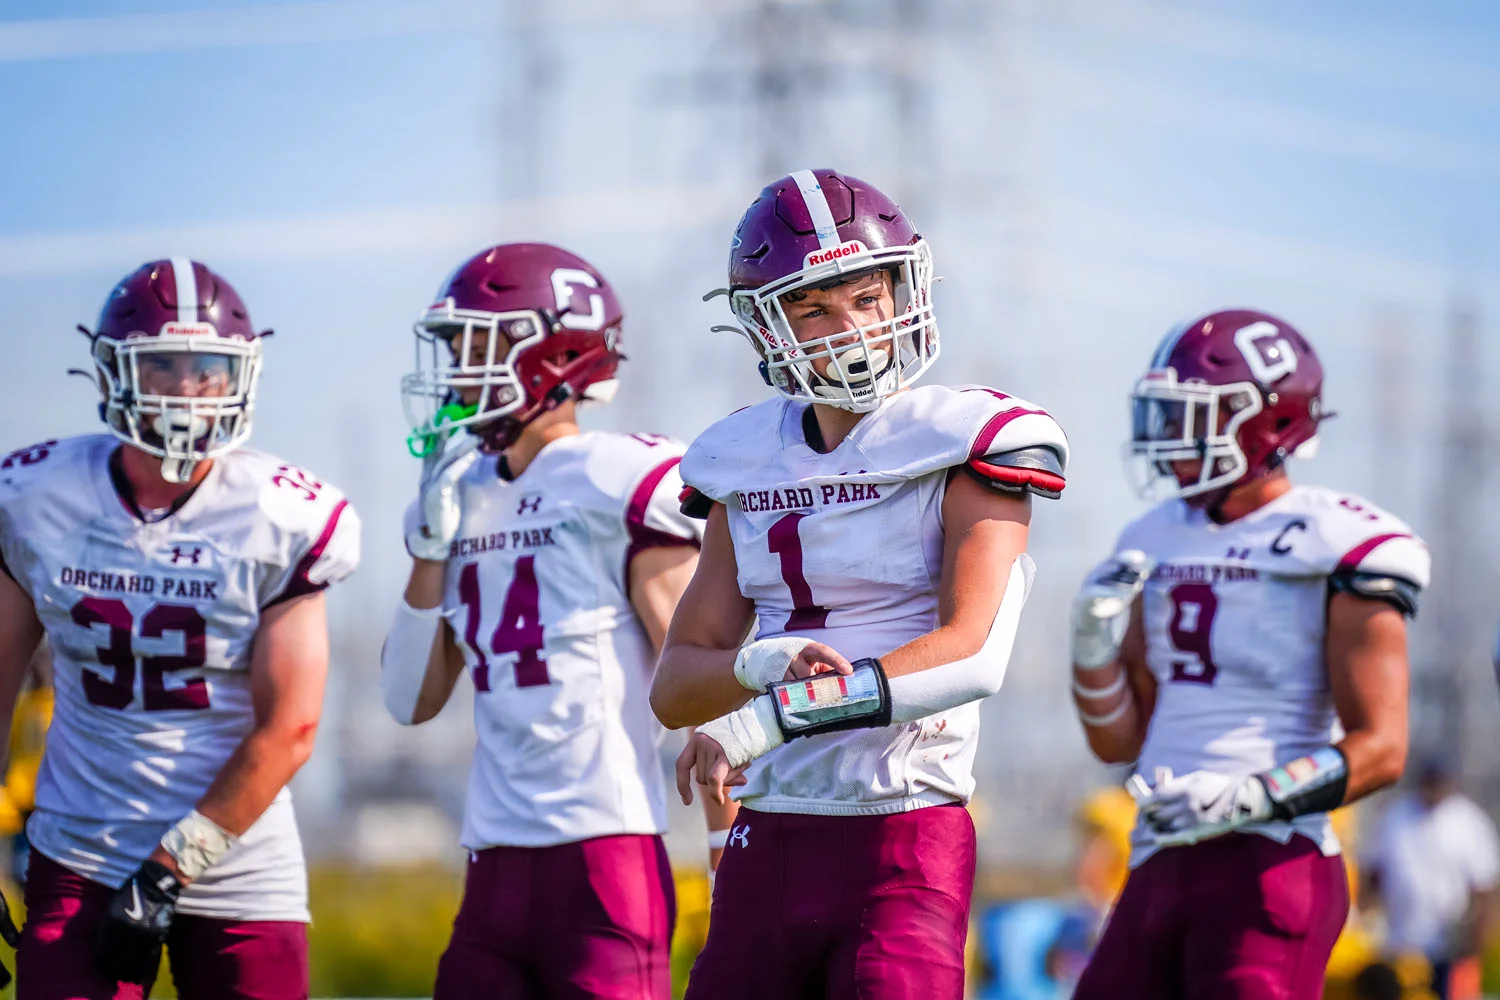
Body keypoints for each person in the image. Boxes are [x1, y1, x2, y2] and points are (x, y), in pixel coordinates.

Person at [650, 168, 1069, 999]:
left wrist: (764, 722)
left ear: (904, 292)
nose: (851, 331)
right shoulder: (742, 461)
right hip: (767, 836)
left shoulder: (965, 441)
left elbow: (970, 656)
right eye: (813, 308)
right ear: (768, 328)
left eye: (868, 299)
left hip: (903, 833)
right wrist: (756, 669)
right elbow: (674, 686)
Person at [0, 258, 361, 999]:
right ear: (111, 370)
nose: (187, 388)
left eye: (207, 367)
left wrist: (171, 869)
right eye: (162, 364)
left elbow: (291, 726)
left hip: (240, 863)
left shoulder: (280, 513)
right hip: (81, 850)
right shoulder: (36, 496)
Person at [382, 242, 720, 1000]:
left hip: (604, 856)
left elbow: (705, 682)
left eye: (478, 343)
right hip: (491, 858)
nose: (458, 367)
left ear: (554, 352)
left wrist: (729, 846)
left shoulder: (617, 477)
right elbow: (408, 700)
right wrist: (431, 544)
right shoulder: (453, 491)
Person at [1068, 310, 1429, 1000]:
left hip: (1273, 861)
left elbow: (1382, 748)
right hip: (1159, 856)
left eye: (1192, 417)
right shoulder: (1153, 533)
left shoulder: (1337, 538)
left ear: (1267, 421)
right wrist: (1090, 651)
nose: (1168, 438)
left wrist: (1246, 798)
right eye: (1166, 414)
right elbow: (1117, 743)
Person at [1363, 756, 1499, 1000]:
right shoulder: (1396, 815)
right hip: (1398, 941)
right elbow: (1374, 872)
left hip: (1449, 946)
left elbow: (1485, 887)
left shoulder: (1467, 822)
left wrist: (1476, 943)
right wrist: (1367, 919)